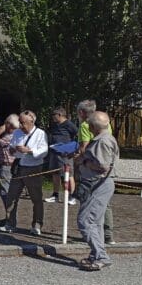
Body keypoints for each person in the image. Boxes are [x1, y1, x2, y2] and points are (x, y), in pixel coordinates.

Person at [75, 111, 118, 271]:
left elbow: (102, 166)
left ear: (93, 126)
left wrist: (83, 161)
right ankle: (96, 254)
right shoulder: (107, 138)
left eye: (89, 124)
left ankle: (101, 257)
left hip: (97, 184)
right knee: (96, 222)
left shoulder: (102, 141)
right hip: (99, 184)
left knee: (85, 221)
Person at [1, 110, 48, 236]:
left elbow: (44, 151)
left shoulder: (40, 134)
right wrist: (12, 149)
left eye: (23, 123)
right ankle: (10, 223)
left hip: (33, 167)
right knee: (11, 196)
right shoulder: (17, 132)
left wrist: (29, 151)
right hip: (19, 167)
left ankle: (37, 224)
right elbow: (12, 146)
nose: (21, 125)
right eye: (20, 122)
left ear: (32, 122)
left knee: (36, 198)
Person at [77, 100, 115, 245]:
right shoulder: (105, 123)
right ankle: (108, 235)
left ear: (81, 112)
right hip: (106, 177)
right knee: (105, 206)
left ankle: (94, 240)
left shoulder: (86, 125)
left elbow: (84, 147)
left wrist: (81, 160)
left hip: (93, 174)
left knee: (86, 213)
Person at [0, 114, 20, 229]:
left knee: (6, 193)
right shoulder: (16, 135)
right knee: (8, 193)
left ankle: (10, 220)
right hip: (11, 166)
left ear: (9, 124)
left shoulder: (9, 136)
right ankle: (8, 218)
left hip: (7, 167)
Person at [46, 106, 78, 205]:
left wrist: (72, 149)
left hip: (65, 154)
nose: (52, 117)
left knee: (69, 174)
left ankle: (72, 196)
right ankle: (55, 195)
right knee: (55, 173)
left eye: (54, 115)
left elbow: (78, 136)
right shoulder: (55, 125)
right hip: (54, 153)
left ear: (59, 115)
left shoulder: (69, 124)